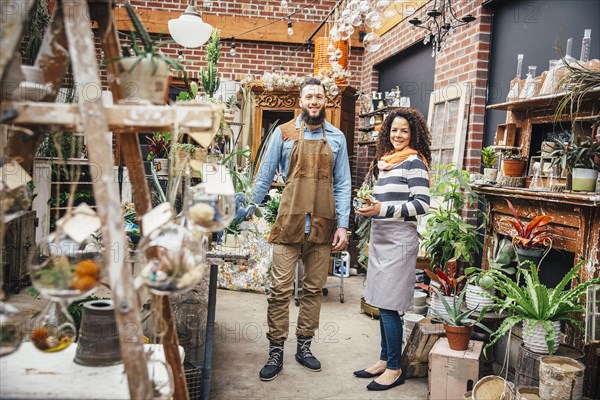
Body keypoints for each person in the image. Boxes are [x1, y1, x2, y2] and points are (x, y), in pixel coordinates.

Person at [252, 77, 351, 381]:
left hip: (323, 227)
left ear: (324, 101)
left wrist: (343, 225)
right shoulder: (283, 133)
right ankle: (276, 349)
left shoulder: (337, 137)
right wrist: (246, 211)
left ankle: (304, 347)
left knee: (312, 291)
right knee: (279, 291)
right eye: (309, 96)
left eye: (318, 97)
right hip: (289, 225)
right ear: (301, 100)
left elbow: (344, 183)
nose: (314, 101)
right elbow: (265, 176)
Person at [354, 108, 431, 391]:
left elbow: (422, 204)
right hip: (382, 234)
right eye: (394, 130)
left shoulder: (414, 162)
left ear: (413, 135)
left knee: (390, 305)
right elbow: (384, 201)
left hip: (400, 239)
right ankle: (385, 359)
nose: (398, 135)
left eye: (404, 131)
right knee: (380, 300)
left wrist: (381, 208)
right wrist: (368, 206)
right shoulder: (386, 162)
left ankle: (395, 368)